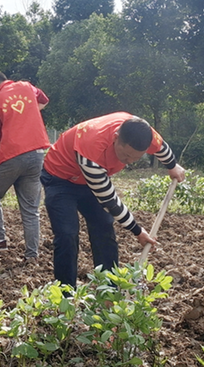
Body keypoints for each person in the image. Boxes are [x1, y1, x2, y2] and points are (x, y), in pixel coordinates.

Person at [41, 112, 186, 287]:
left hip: (91, 180)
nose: (130, 161)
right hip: (60, 178)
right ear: (116, 138)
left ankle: (109, 289)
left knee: (103, 226)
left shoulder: (142, 132)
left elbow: (161, 147)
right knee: (67, 234)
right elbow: (109, 201)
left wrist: (172, 166)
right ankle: (65, 295)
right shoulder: (91, 151)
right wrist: (138, 231)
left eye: (136, 158)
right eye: (126, 156)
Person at [0, 70, 50, 258]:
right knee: (30, 210)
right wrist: (28, 112)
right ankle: (32, 255)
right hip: (37, 154)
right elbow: (43, 101)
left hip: (13, 155)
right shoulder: (26, 86)